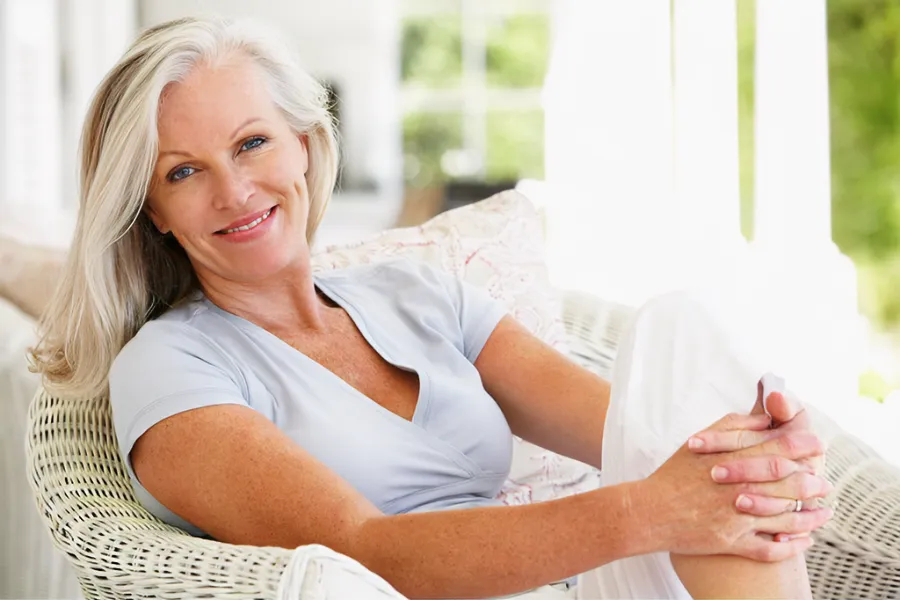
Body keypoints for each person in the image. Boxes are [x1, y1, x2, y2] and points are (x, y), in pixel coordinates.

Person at [31, 16, 832, 600]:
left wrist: (769, 461)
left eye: (251, 144)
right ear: (150, 211)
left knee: (680, 329)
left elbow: (647, 435)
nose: (235, 190)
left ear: (305, 144)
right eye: (182, 172)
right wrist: (650, 512)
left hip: (579, 587)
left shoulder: (413, 293)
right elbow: (368, 552)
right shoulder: (171, 367)